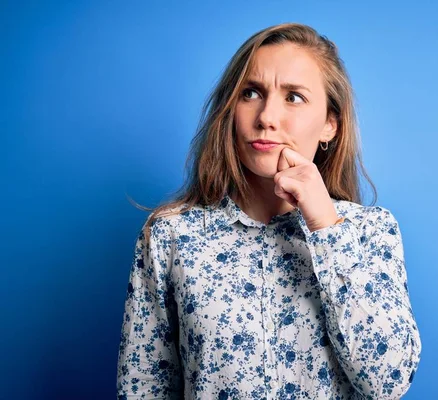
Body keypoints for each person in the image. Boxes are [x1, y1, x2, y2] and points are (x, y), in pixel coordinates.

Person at [117, 22, 421, 399]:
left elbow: (387, 382)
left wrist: (325, 224)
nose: (266, 117)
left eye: (294, 97)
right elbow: (143, 387)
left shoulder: (371, 232)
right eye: (251, 93)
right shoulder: (170, 236)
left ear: (330, 125)